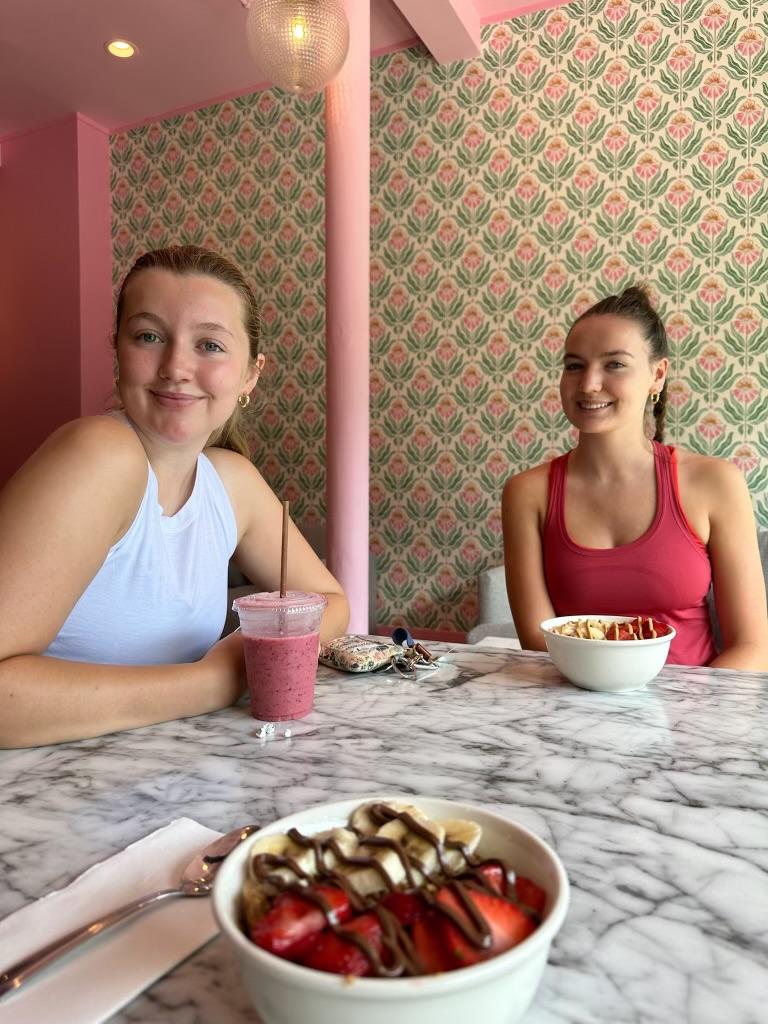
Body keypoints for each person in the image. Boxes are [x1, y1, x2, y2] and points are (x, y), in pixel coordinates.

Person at [0, 246, 349, 747]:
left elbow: (332, 602)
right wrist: (216, 680)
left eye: (209, 345)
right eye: (149, 336)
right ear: (118, 351)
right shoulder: (98, 454)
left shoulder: (232, 481)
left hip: (158, 775)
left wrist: (252, 650)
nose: (176, 366)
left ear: (251, 373)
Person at [502, 286, 768, 670]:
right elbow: (539, 641)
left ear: (657, 375)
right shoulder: (526, 493)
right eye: (574, 365)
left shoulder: (716, 483)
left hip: (692, 715)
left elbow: (753, 648)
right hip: (570, 710)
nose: (589, 383)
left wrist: (677, 723)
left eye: (614, 364)